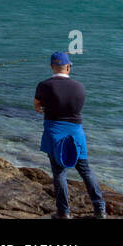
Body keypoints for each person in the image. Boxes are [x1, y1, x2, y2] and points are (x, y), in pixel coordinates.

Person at [34, 52, 106, 218]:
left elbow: (37, 105)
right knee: (85, 170)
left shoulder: (44, 85)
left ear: (52, 66)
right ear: (68, 67)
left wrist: (45, 107)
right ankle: (100, 209)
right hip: (76, 131)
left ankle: (63, 212)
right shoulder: (79, 86)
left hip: (54, 131)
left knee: (59, 173)